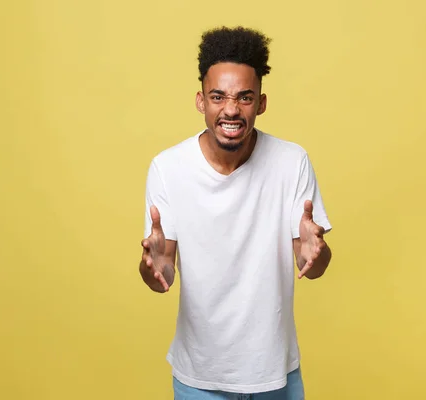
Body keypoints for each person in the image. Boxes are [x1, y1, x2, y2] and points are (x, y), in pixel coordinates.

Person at [139, 26, 332, 400]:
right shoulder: (168, 168)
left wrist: (318, 255)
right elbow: (161, 275)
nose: (231, 109)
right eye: (218, 97)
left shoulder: (292, 163)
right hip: (200, 378)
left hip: (276, 375)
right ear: (201, 101)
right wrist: (152, 268)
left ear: (261, 103)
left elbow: (312, 264)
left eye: (245, 98)